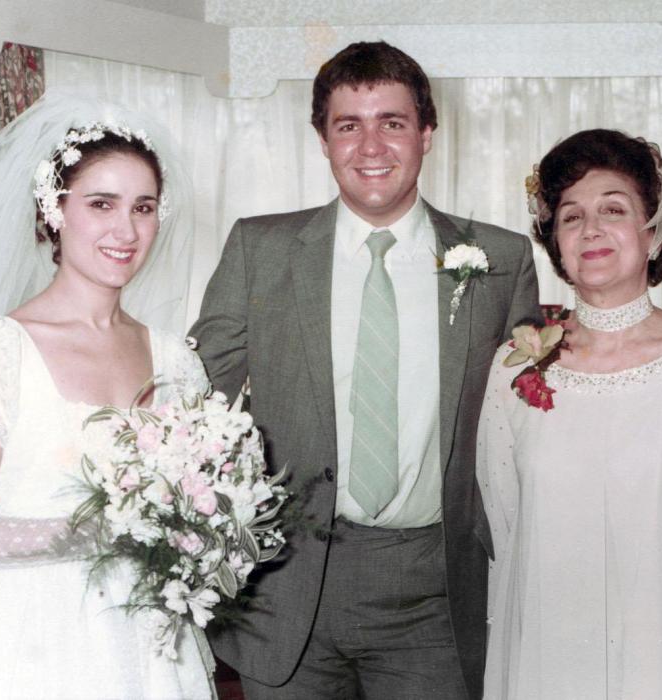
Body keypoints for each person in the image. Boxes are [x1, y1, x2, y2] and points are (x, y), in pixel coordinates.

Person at [192, 41, 540, 699]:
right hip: (286, 589)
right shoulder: (258, 250)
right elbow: (192, 395)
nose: (371, 145)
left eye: (393, 122)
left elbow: (527, 427)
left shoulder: (500, 260)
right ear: (322, 139)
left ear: (427, 133)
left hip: (434, 596)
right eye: (348, 125)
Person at [0, 95, 217, 698]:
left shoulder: (176, 361)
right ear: (54, 211)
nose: (126, 230)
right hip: (12, 638)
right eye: (101, 204)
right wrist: (101, 533)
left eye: (143, 207)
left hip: (143, 638)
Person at [477, 128, 662, 698]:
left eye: (613, 209)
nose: (590, 229)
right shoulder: (512, 369)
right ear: (556, 243)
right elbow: (505, 536)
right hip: (551, 659)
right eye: (571, 216)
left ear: (652, 233)